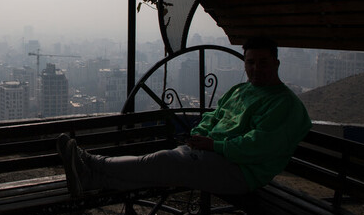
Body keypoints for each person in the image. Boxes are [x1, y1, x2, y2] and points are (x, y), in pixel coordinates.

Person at [57, 37, 312, 197]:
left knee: (164, 161)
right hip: (213, 156)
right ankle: (92, 178)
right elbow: (215, 116)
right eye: (250, 62)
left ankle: (92, 162)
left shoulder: (285, 104)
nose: (255, 69)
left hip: (242, 172)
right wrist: (201, 132)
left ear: (276, 63)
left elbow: (258, 146)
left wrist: (215, 145)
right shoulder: (240, 90)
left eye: (263, 63)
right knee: (161, 168)